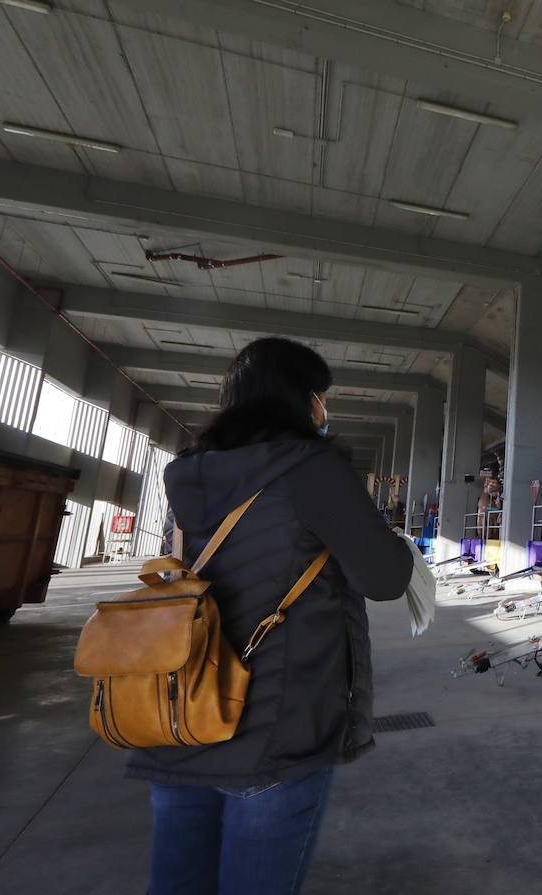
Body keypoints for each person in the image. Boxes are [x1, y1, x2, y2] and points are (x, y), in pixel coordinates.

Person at [129, 337, 414, 895]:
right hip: (271, 729)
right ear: (301, 400)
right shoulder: (311, 468)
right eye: (320, 396)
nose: (323, 410)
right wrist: (398, 546)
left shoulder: (187, 474)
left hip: (177, 717)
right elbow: (384, 577)